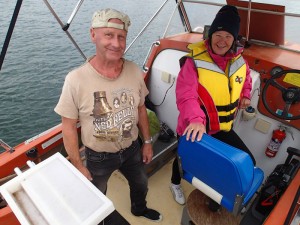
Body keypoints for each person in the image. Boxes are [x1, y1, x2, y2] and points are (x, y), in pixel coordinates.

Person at [54, 8, 162, 223]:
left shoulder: (133, 71)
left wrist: (147, 142)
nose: (116, 43)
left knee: (141, 183)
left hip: (132, 148)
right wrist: (78, 164)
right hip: (98, 156)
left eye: (121, 37)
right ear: (93, 35)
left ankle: (139, 210)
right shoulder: (75, 79)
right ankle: (99, 219)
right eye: (109, 35)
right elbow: (68, 127)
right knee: (96, 193)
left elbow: (141, 108)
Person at [169, 5, 257, 210]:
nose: (222, 41)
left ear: (234, 39)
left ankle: (215, 190)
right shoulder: (193, 63)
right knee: (182, 158)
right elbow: (186, 96)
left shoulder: (239, 61)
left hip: (222, 127)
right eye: (218, 34)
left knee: (247, 160)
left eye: (228, 36)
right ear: (210, 35)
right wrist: (196, 121)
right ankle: (175, 183)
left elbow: (245, 79)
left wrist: (245, 95)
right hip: (194, 125)